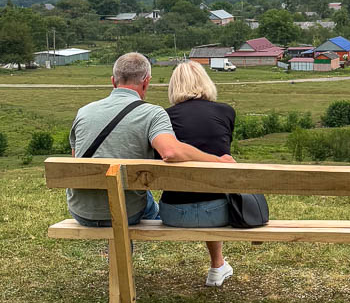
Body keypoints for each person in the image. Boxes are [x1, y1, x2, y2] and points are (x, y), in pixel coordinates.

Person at [68, 53, 233, 231]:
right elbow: (170, 152)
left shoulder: (83, 112)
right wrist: (218, 160)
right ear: (146, 81)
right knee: (132, 199)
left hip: (81, 211)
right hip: (128, 212)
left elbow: (77, 159)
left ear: (113, 81)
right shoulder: (152, 113)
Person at [158, 61, 237, 287]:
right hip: (219, 213)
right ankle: (217, 265)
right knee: (211, 190)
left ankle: (219, 265)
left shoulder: (163, 117)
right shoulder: (226, 112)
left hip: (173, 213)